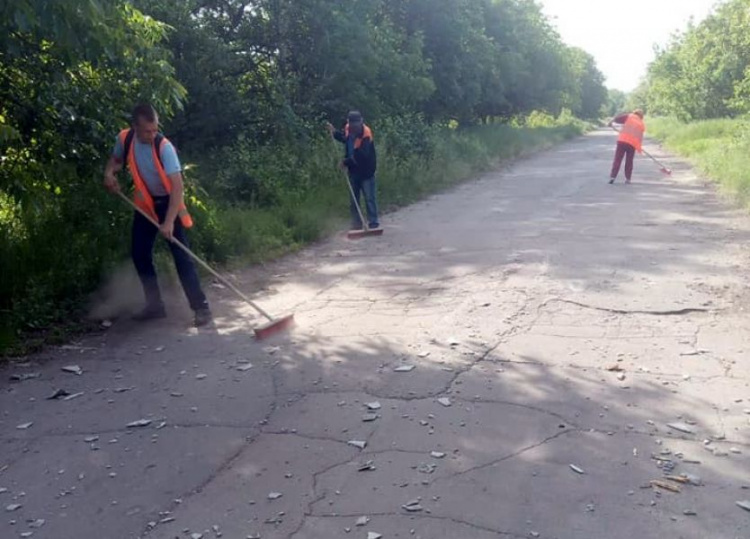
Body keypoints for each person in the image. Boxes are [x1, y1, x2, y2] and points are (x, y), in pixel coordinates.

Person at [103, 103, 212, 327]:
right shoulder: (125, 139)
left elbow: (178, 188)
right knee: (139, 253)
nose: (152, 135)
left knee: (182, 256)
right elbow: (116, 160)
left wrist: (169, 221)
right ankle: (155, 305)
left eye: (155, 130)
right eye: (147, 131)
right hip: (146, 205)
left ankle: (201, 308)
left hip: (168, 203)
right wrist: (109, 174)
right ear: (135, 127)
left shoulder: (164, 147)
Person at [326, 111, 380, 230]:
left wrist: (345, 162)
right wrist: (334, 132)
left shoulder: (366, 134)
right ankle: (356, 223)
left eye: (356, 125)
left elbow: (362, 155)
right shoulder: (348, 129)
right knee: (354, 198)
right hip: (354, 171)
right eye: (352, 125)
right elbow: (344, 139)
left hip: (366, 170)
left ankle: (373, 222)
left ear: (361, 122)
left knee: (369, 197)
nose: (354, 128)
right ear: (349, 123)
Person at [608, 109, 646, 184]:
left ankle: (613, 177)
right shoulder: (642, 124)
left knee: (617, 159)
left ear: (634, 113)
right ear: (641, 116)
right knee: (629, 161)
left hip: (622, 141)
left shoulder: (629, 116)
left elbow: (617, 119)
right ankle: (628, 178)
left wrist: (611, 122)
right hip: (632, 144)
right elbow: (639, 138)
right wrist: (639, 147)